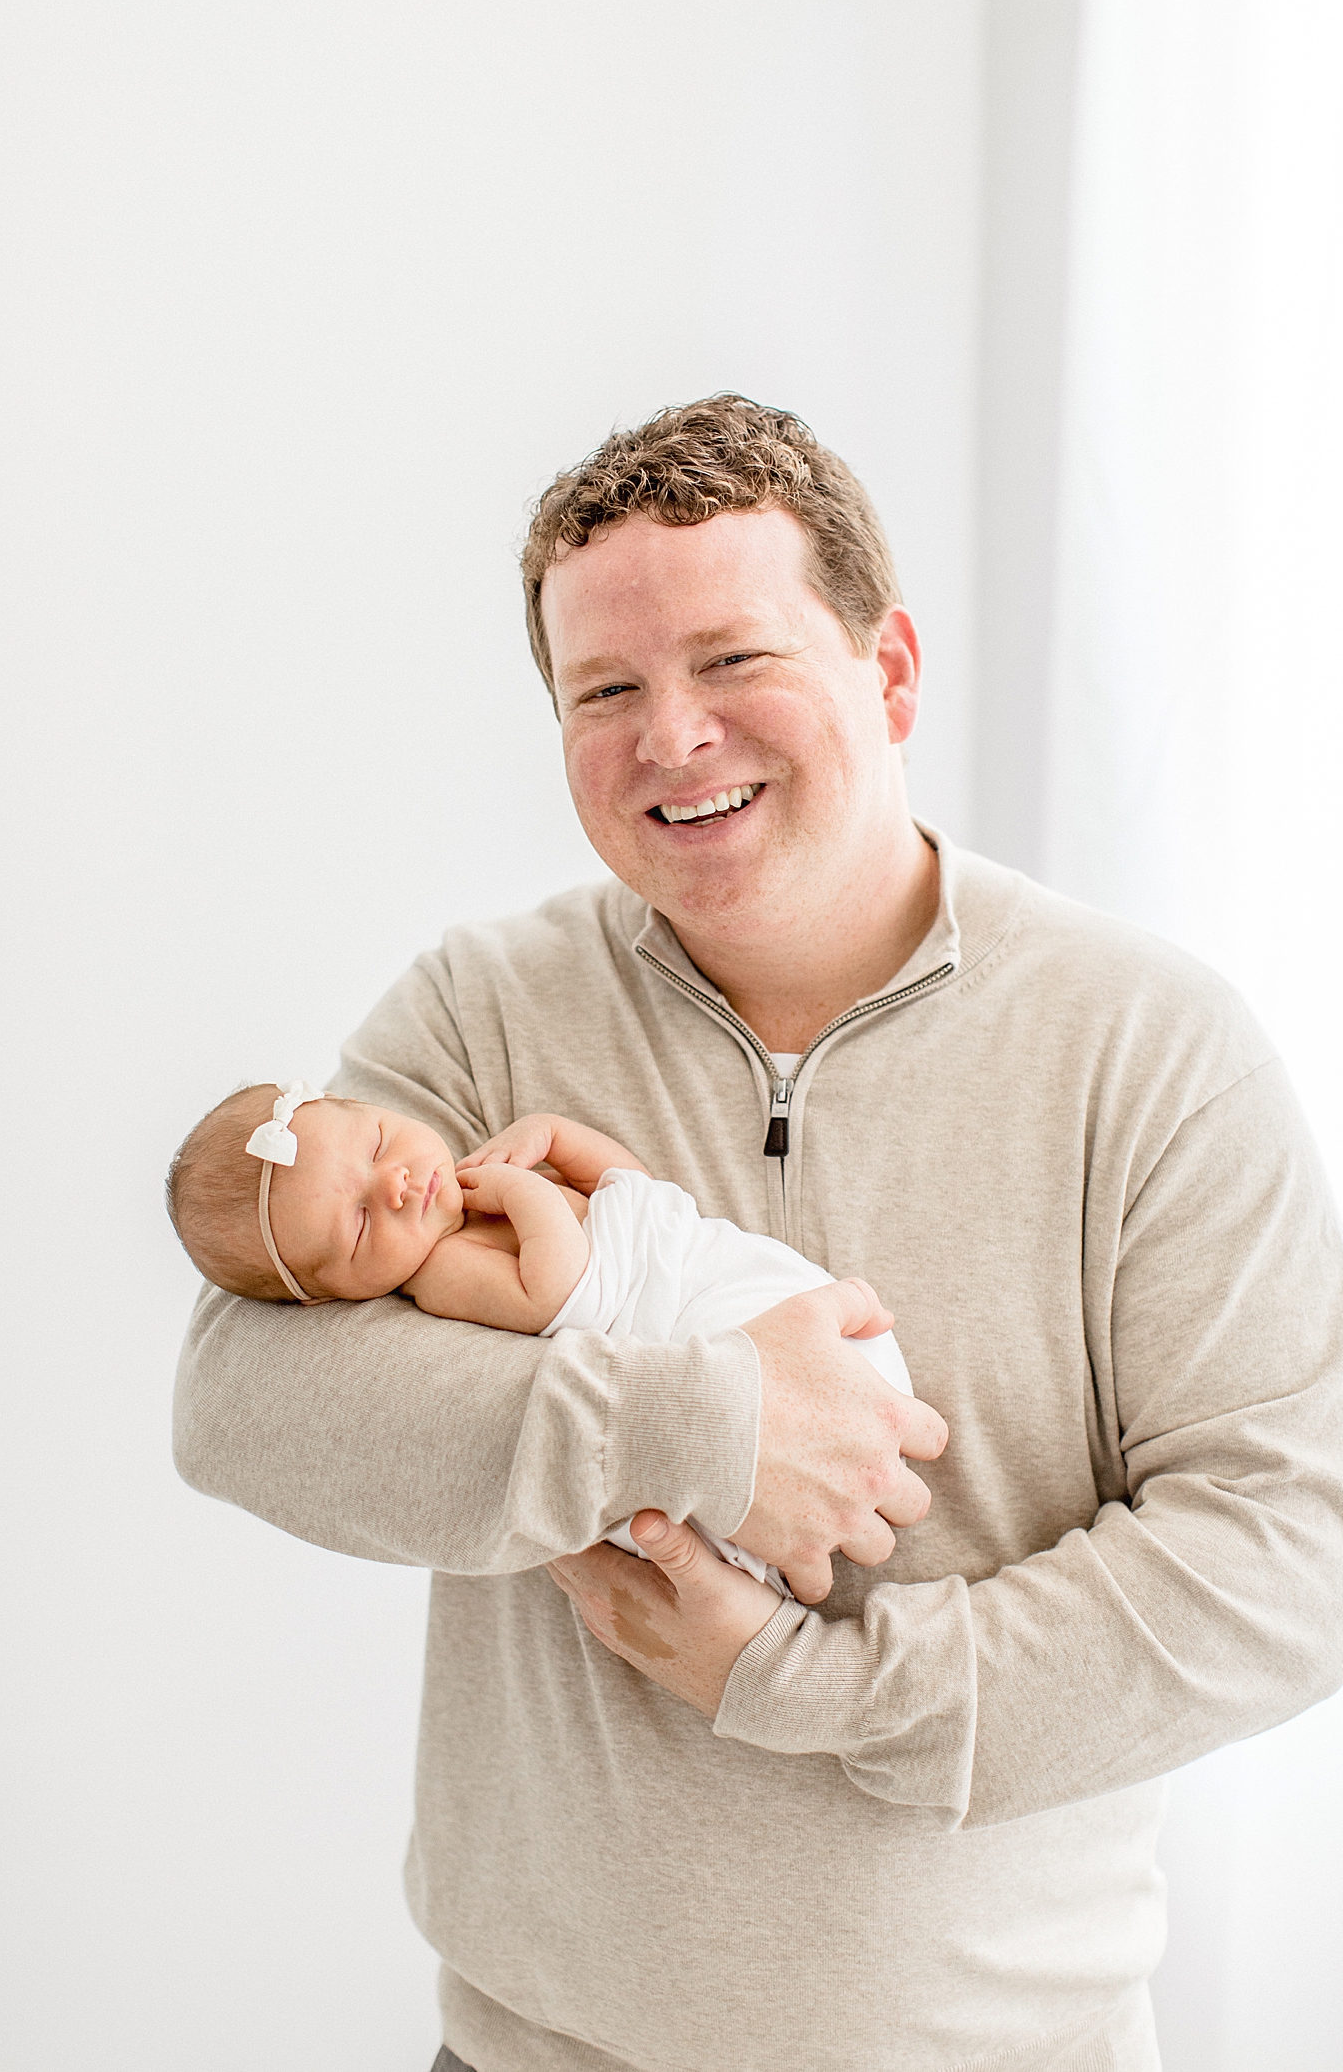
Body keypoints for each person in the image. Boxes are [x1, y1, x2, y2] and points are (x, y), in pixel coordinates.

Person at [174, 395, 1343, 2072]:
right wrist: (704, 1426)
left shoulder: (1147, 1047)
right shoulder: (480, 1017)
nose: (672, 740)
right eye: (606, 691)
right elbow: (241, 1408)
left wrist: (805, 1682)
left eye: (735, 662)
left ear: (893, 674)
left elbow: (1289, 1561)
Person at [164, 1090, 915, 1592]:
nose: (394, 1183)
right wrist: (525, 1189)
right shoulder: (441, 1272)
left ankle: (850, 1378)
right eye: (360, 1221)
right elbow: (555, 1292)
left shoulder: (461, 1193)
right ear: (335, 1292)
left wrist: (557, 1136)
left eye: (381, 1142)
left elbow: (629, 1188)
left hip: (693, 1270)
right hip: (670, 1324)